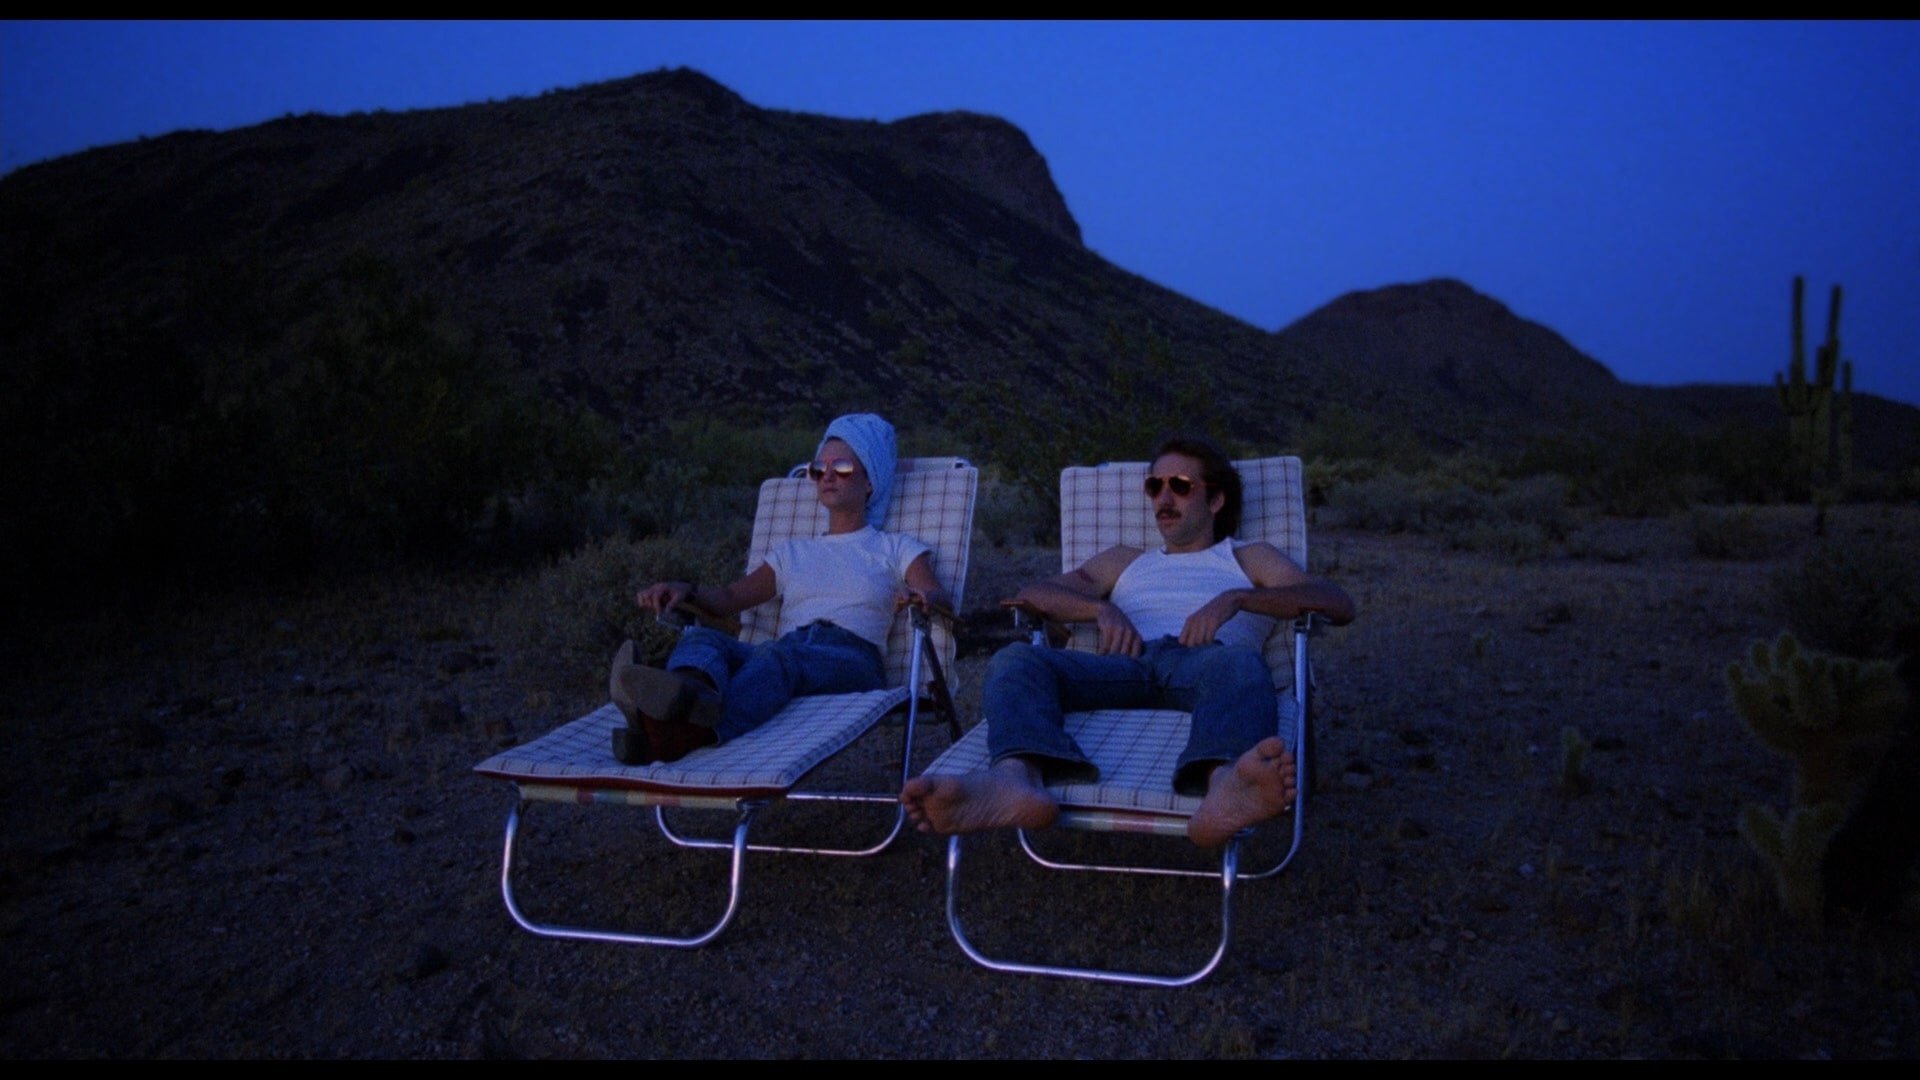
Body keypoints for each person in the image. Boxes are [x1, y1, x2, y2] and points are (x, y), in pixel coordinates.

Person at [901, 433, 1355, 847]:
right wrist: (1100, 609)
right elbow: (1034, 594)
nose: (1164, 499)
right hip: (1122, 664)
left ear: (1216, 499)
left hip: (1207, 665)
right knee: (1017, 659)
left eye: (1180, 486)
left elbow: (1335, 602)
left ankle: (1225, 789)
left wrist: (1236, 599)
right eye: (1154, 486)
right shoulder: (1126, 560)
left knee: (1241, 665)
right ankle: (1015, 779)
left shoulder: (1249, 558)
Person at [609, 413, 949, 765]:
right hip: (788, 652)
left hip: (851, 659)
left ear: (869, 482)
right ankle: (685, 698)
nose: (828, 475)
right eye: (819, 468)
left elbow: (938, 595)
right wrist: (686, 591)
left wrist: (923, 597)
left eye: (843, 467)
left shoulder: (894, 547)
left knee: (776, 656)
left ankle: (674, 732)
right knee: (701, 639)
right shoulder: (792, 553)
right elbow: (729, 599)